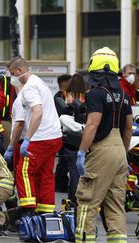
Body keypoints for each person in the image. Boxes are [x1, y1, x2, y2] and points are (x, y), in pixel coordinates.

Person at [75, 47, 133, 243]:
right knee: (116, 205)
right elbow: (128, 127)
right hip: (119, 149)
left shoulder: (95, 94)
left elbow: (92, 124)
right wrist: (123, 154)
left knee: (87, 201)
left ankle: (84, 240)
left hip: (101, 150)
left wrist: (81, 151)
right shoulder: (123, 94)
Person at [6, 56, 62, 215]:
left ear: (20, 70)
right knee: (46, 174)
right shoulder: (39, 82)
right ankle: (45, 210)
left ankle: (28, 209)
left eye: (12, 73)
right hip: (54, 136)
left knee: (23, 171)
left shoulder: (29, 87)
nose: (12, 78)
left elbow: (37, 113)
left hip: (40, 138)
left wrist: (28, 139)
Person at [55, 73, 86, 202]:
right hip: (84, 137)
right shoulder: (87, 97)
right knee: (78, 169)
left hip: (69, 138)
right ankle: (77, 194)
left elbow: (60, 114)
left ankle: (69, 193)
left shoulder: (63, 97)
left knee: (71, 168)